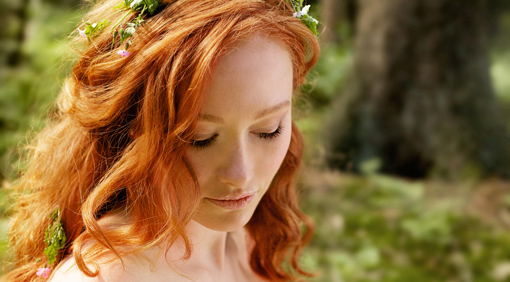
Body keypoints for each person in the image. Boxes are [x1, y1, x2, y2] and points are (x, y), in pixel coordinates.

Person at [4, 0, 320, 281]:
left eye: (269, 130)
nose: (241, 174)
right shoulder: (102, 276)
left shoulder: (246, 240)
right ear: (133, 123)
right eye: (200, 138)